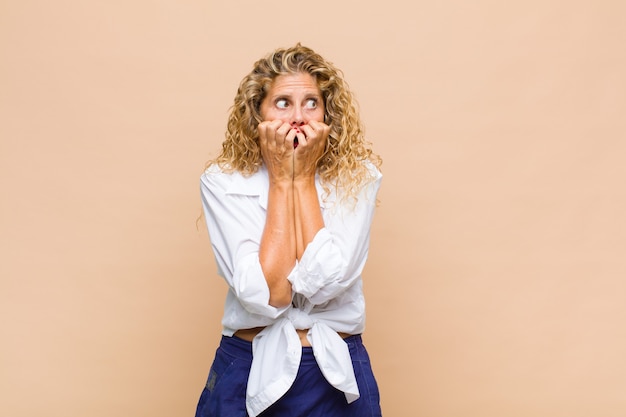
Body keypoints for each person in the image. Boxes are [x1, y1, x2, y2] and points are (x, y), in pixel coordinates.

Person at [195, 43, 383, 417]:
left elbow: (327, 282)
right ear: (257, 112)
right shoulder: (223, 181)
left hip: (335, 372)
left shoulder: (359, 177)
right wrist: (283, 178)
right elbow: (269, 294)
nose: (298, 117)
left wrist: (304, 177)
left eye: (311, 102)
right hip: (248, 366)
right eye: (283, 102)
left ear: (328, 112)